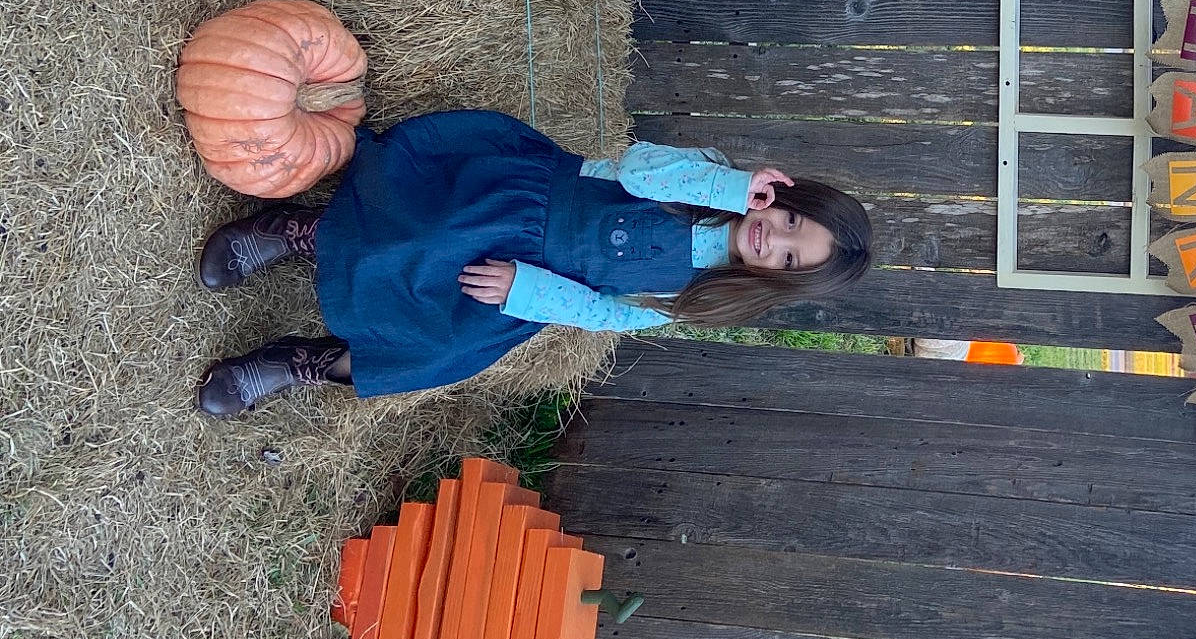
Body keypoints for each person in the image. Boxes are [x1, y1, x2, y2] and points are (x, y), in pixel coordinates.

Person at [191, 108, 872, 417]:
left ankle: (295, 363)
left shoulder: (697, 296)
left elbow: (602, 312)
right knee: (424, 230)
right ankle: (297, 233)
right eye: (786, 221)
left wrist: (526, 289)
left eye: (786, 257)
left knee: (434, 352)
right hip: (520, 203)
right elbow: (637, 168)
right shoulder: (707, 184)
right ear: (781, 193)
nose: (770, 239)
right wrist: (730, 188)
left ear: (778, 281)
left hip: (530, 281)